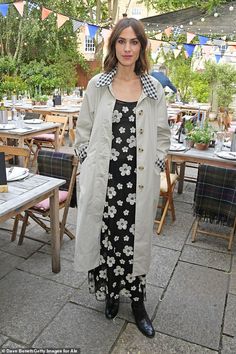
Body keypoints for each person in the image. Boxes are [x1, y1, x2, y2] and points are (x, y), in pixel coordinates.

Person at [74, 17, 170, 338]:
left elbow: (162, 135)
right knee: (109, 238)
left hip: (138, 182)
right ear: (113, 45)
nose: (127, 48)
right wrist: (87, 164)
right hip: (107, 180)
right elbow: (83, 131)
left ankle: (139, 302)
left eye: (134, 42)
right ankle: (113, 294)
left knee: (136, 241)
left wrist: (157, 164)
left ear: (142, 46)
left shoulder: (153, 89)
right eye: (121, 41)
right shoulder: (97, 85)